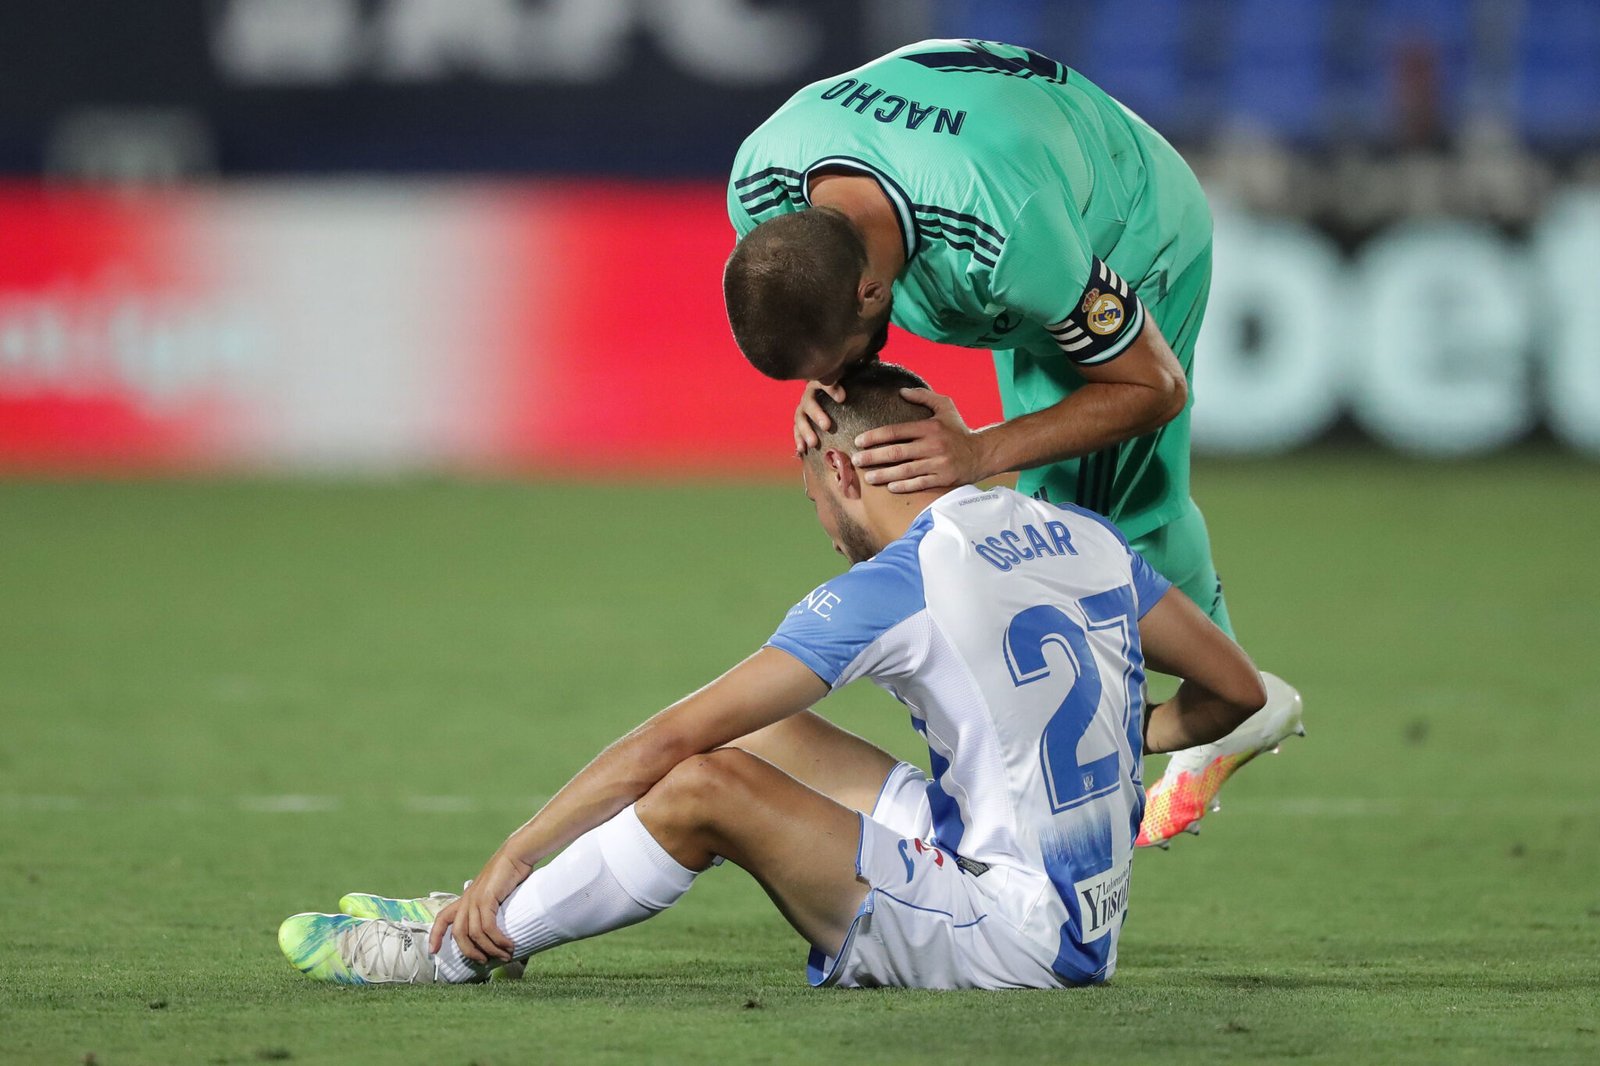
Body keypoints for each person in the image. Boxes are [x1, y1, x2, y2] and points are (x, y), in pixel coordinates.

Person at [278, 363, 1296, 989]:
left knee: (703, 784)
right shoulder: (1080, 535)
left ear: (847, 473)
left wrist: (516, 847)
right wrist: (1133, 735)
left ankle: (458, 943)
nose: (817, 516)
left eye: (814, 489)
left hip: (1014, 940)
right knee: (760, 740)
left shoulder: (898, 586)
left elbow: (668, 741)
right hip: (1054, 890)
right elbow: (1237, 693)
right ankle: (498, 917)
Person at [722, 39, 1299, 846]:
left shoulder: (1008, 238)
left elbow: (1156, 389)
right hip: (1001, 169)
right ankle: (1224, 698)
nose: (841, 382)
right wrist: (821, 388)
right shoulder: (762, 185)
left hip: (1127, 219)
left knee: (1083, 529)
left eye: (839, 363)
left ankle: (1214, 715)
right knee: (1099, 509)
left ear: (869, 289)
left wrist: (983, 452)